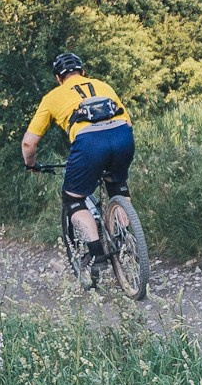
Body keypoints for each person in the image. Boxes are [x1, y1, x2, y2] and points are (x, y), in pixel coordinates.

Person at [21, 52, 134, 256]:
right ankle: (124, 240)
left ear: (58, 78)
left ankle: (97, 254)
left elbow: (29, 143)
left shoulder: (52, 97)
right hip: (122, 136)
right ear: (83, 71)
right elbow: (127, 121)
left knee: (73, 198)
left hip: (89, 143)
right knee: (117, 187)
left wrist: (31, 164)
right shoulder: (103, 85)